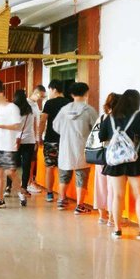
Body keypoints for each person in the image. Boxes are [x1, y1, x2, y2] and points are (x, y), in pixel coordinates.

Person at [100, 90, 140, 239]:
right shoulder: (139, 115)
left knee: (117, 196)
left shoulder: (110, 117)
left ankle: (117, 230)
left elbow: (102, 136)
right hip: (135, 161)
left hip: (115, 161)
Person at [53, 82, 98, 214]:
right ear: (86, 93)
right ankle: (79, 205)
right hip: (81, 148)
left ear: (71, 94)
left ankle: (61, 200)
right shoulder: (89, 110)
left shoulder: (64, 110)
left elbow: (56, 126)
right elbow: (96, 128)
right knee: (81, 177)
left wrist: (66, 133)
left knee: (64, 176)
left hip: (65, 147)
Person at [0, 80, 22, 209]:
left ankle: (21, 192)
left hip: (8, 145)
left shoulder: (12, 107)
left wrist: (0, 126)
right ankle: (0, 199)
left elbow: (17, 126)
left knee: (10, 172)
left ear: (1, 93)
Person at [39, 80, 72, 202]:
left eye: (49, 90)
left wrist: (39, 136)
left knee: (50, 167)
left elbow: (43, 120)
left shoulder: (49, 103)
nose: (49, 93)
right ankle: (62, 195)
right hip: (65, 141)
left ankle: (49, 194)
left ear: (54, 89)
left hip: (50, 140)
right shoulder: (69, 103)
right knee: (64, 168)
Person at [92, 93, 119, 225]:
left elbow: (96, 137)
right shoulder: (119, 119)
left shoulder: (102, 118)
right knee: (112, 187)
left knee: (100, 185)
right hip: (114, 156)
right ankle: (112, 218)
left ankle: (102, 216)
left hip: (100, 155)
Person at [13, 90, 37, 200]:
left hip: (16, 140)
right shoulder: (30, 110)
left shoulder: (14, 110)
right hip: (30, 140)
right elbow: (34, 125)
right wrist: (36, 139)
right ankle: (24, 187)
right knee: (26, 165)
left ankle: (8, 187)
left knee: (12, 164)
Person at [26, 85, 47, 194]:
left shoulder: (35, 104)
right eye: (41, 96)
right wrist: (36, 138)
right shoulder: (26, 104)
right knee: (31, 161)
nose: (41, 99)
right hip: (29, 137)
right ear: (36, 93)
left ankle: (29, 181)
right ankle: (29, 182)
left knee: (33, 160)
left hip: (35, 136)